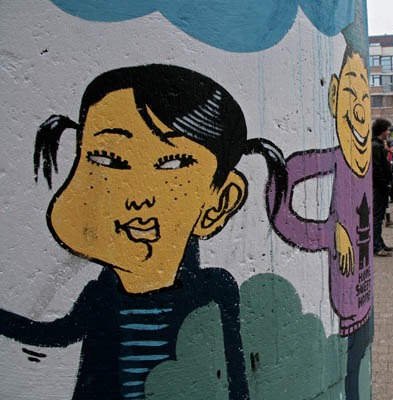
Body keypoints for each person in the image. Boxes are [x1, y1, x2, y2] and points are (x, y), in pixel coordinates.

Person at [0, 64, 296, 398]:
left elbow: (234, 372)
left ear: (220, 201)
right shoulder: (99, 296)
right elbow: (53, 334)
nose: (137, 197)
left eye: (173, 164)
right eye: (107, 160)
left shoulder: (215, 291)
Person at [372, 118, 393, 256]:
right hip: (379, 187)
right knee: (377, 217)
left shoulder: (378, 146)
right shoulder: (376, 147)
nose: (389, 132)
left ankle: (379, 243)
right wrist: (384, 184)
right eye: (388, 130)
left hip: (381, 186)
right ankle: (377, 246)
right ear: (382, 131)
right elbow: (377, 169)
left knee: (379, 217)